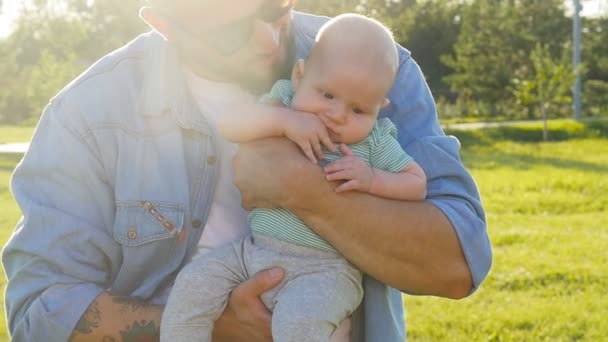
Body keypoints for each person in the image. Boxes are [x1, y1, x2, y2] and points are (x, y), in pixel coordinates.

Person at [2, 0, 492, 341]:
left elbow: (455, 265)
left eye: (275, 9)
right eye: (230, 31)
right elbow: (39, 313)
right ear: (165, 23)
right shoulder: (89, 114)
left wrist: (303, 191)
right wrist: (217, 327)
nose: (268, 40)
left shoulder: (366, 65)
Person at [161, 14, 427, 342]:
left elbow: (416, 182)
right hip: (254, 251)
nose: (337, 114)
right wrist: (283, 121)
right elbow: (232, 124)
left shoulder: (374, 141)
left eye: (358, 109)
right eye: (327, 95)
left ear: (379, 107)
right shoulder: (284, 101)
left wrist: (372, 178)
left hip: (326, 271)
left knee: (298, 325)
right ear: (299, 76)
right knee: (192, 285)